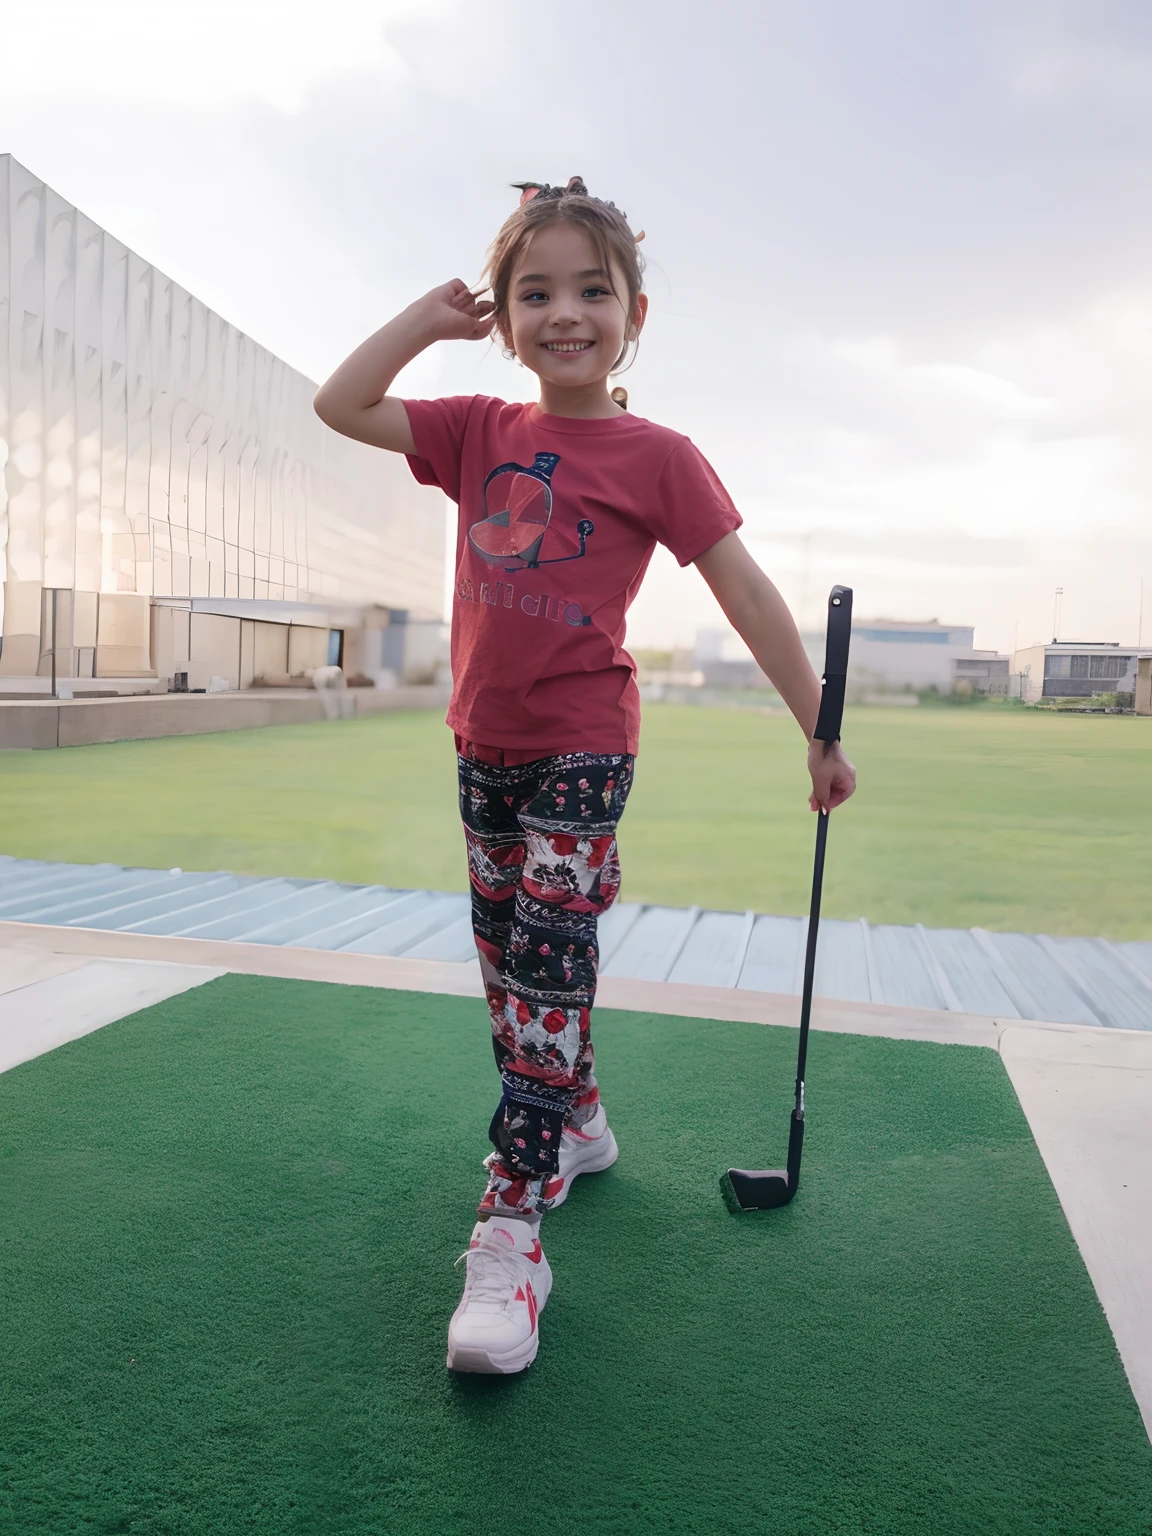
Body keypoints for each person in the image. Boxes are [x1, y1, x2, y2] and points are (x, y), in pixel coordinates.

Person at [314, 176, 856, 1375]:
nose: (567, 313)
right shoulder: (474, 430)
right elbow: (340, 402)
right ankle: (579, 1119)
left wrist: (817, 724)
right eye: (535, 293)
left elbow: (749, 593)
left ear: (637, 315)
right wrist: (424, 318)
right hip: (481, 742)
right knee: (510, 956)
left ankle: (512, 1230)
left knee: (551, 953)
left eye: (593, 290)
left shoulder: (661, 457)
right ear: (503, 318)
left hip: (585, 743)